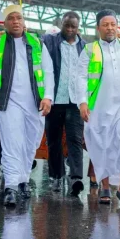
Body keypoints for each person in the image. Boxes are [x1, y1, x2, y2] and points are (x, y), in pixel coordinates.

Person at [0, 5, 55, 207]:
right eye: (11, 18)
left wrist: (48, 97)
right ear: (4, 24)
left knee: (30, 143)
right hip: (6, 101)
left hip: (34, 102)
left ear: (24, 22)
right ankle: (11, 186)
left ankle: (22, 181)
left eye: (19, 18)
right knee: (12, 143)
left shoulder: (37, 43)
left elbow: (48, 71)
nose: (15, 21)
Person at [76, 9, 120, 206]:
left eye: (113, 24)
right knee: (103, 145)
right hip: (100, 105)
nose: (110, 28)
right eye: (105, 25)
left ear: (117, 26)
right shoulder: (90, 49)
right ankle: (105, 186)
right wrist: (82, 102)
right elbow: (80, 77)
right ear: (98, 28)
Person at [43, 11, 86, 195]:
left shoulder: (84, 47)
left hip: (75, 101)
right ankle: (57, 177)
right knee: (53, 141)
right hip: (55, 100)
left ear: (78, 27)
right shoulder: (49, 41)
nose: (70, 29)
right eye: (67, 25)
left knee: (75, 139)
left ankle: (76, 177)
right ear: (62, 24)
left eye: (73, 27)